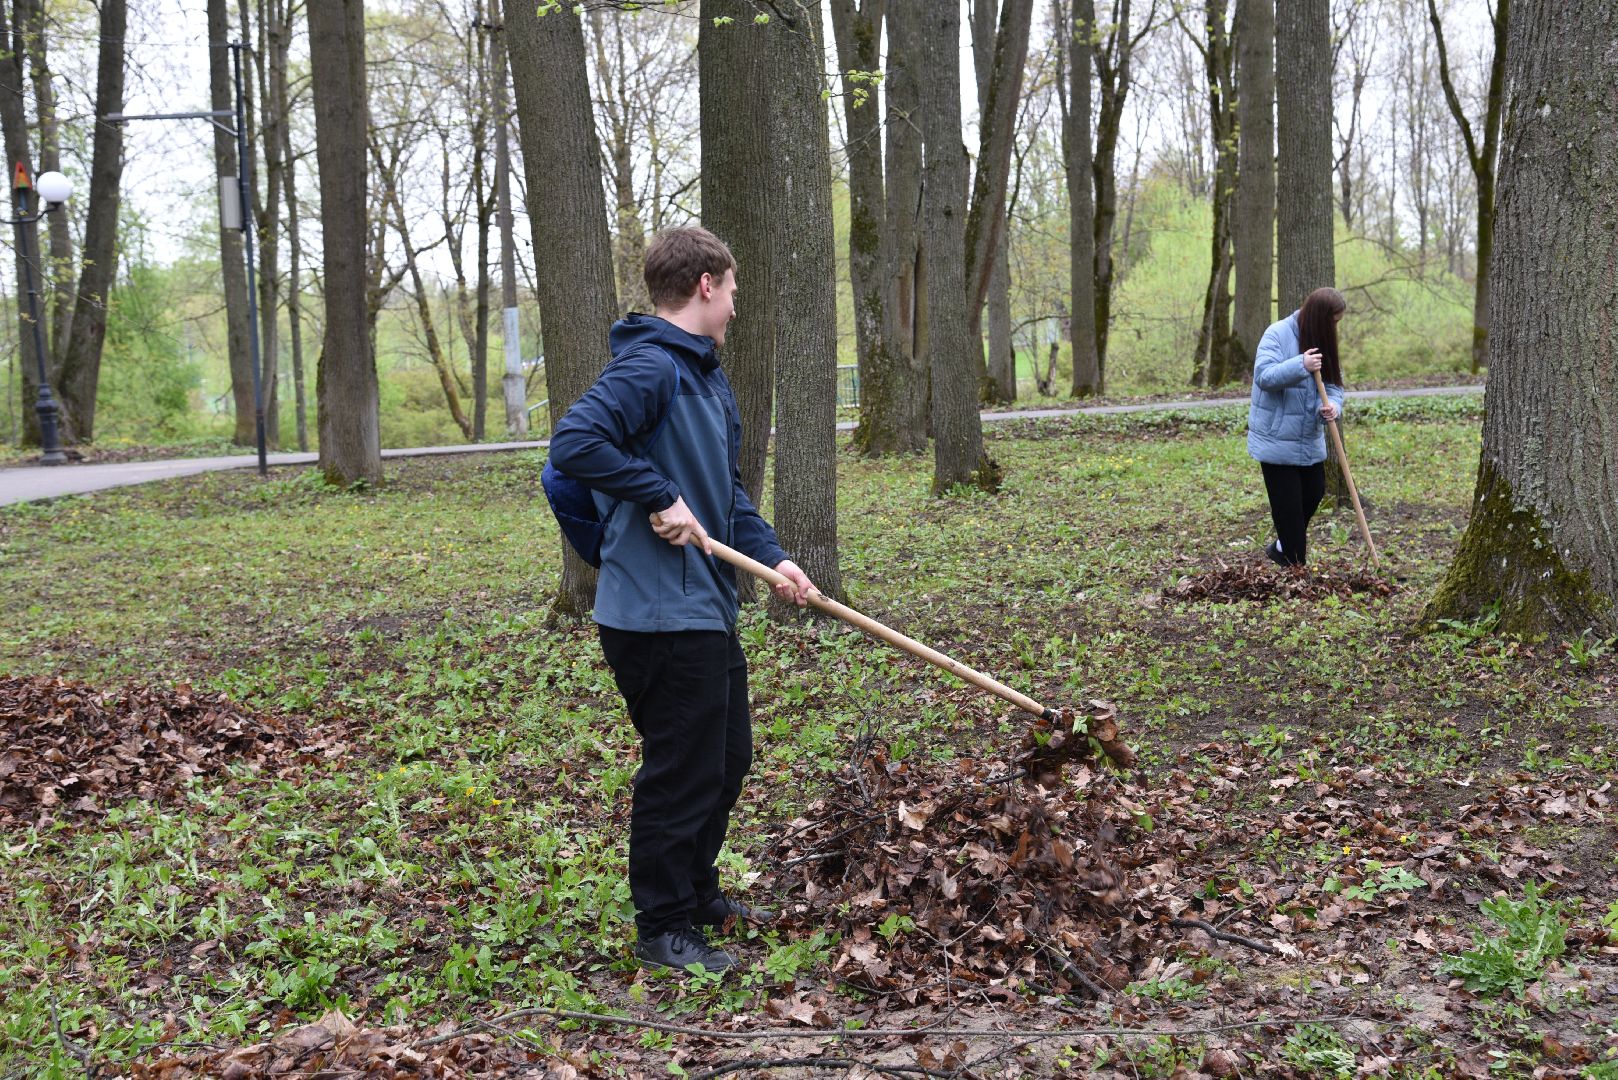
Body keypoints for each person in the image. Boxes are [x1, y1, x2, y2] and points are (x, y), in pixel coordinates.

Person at [548, 226, 815, 975]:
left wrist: (776, 561)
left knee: (726, 759)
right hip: (655, 615)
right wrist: (657, 495)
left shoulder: (705, 375)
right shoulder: (649, 368)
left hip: (705, 606)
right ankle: (662, 927)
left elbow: (723, 496)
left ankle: (697, 894)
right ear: (705, 285)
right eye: (731, 290)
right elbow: (574, 443)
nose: (734, 305)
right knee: (682, 768)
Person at [1247, 287, 1347, 567]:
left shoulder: (1323, 340)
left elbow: (1333, 385)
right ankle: (1296, 571)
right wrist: (1300, 364)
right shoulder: (1277, 334)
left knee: (1314, 493)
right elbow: (1263, 376)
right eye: (1334, 321)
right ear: (1319, 317)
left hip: (1308, 438)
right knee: (1289, 511)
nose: (1335, 328)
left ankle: (1281, 547)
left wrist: (1333, 406)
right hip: (1276, 439)